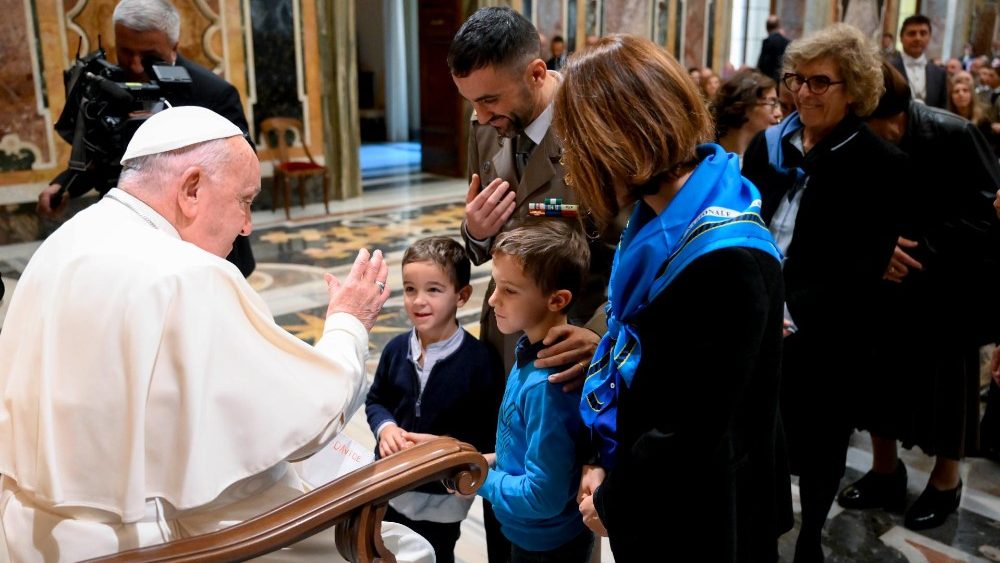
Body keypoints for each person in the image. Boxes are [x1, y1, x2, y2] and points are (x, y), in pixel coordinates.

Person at [0, 106, 432, 562]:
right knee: (407, 550)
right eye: (245, 200)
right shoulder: (189, 275)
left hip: (31, 535)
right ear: (191, 189)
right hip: (153, 542)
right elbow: (309, 421)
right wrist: (347, 320)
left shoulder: (65, 241)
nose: (247, 225)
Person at [554, 34, 791, 562]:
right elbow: (632, 353)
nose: (572, 163)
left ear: (622, 138)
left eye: (578, 143)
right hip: (653, 486)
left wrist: (614, 497)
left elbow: (691, 429)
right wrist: (600, 458)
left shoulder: (727, 256)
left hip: (700, 514)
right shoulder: (667, 209)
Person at [447, 8, 615, 561]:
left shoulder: (598, 132)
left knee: (557, 503)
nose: (480, 114)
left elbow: (638, 255)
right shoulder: (486, 127)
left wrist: (601, 338)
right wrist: (472, 232)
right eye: (471, 100)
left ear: (537, 73)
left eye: (491, 99)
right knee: (506, 486)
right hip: (504, 342)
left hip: (569, 354)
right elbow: (484, 243)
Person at [742, 23, 908, 563]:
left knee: (820, 443)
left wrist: (793, 311)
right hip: (758, 314)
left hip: (828, 331)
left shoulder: (880, 165)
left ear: (854, 89)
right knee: (757, 436)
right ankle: (760, 536)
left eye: (820, 82)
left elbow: (861, 266)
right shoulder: (766, 146)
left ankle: (811, 534)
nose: (804, 92)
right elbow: (744, 222)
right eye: (797, 79)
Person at [837, 61, 1000, 531]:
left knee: (948, 389)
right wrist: (875, 249)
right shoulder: (863, 140)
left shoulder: (955, 133)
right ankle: (885, 470)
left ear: (895, 114)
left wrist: (923, 248)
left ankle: (947, 483)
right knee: (878, 379)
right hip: (886, 285)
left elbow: (990, 212)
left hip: (949, 287)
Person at [37, 0, 256, 277]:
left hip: (205, 255)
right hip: (130, 247)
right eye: (125, 53)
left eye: (150, 55)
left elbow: (244, 168)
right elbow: (104, 153)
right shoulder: (104, 83)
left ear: (173, 46)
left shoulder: (213, 94)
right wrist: (64, 185)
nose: (136, 65)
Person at [365, 236, 502, 562]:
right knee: (386, 551)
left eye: (434, 290)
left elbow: (489, 435)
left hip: (442, 500)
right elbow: (375, 400)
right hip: (391, 487)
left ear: (462, 295)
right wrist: (385, 428)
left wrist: (445, 449)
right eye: (410, 289)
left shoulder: (479, 362)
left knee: (435, 555)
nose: (418, 301)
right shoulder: (396, 350)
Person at [478, 221, 594, 563]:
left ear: (557, 300)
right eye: (495, 285)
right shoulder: (531, 349)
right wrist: (490, 462)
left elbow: (543, 496)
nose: (492, 299)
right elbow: (528, 446)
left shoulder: (549, 384)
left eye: (509, 290)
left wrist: (482, 480)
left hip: (546, 544)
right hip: (531, 533)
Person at [712, 69, 783, 164]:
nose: (779, 113)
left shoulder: (774, 159)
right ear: (743, 105)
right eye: (772, 103)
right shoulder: (705, 158)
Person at [889, 14, 948, 109]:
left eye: (923, 33)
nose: (918, 38)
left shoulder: (939, 73)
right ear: (901, 38)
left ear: (929, 37)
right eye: (912, 33)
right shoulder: (889, 69)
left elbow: (943, 109)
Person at [757, 15, 791, 83]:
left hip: (769, 80)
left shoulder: (767, 42)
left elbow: (762, 65)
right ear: (779, 26)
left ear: (767, 28)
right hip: (783, 79)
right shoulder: (787, 41)